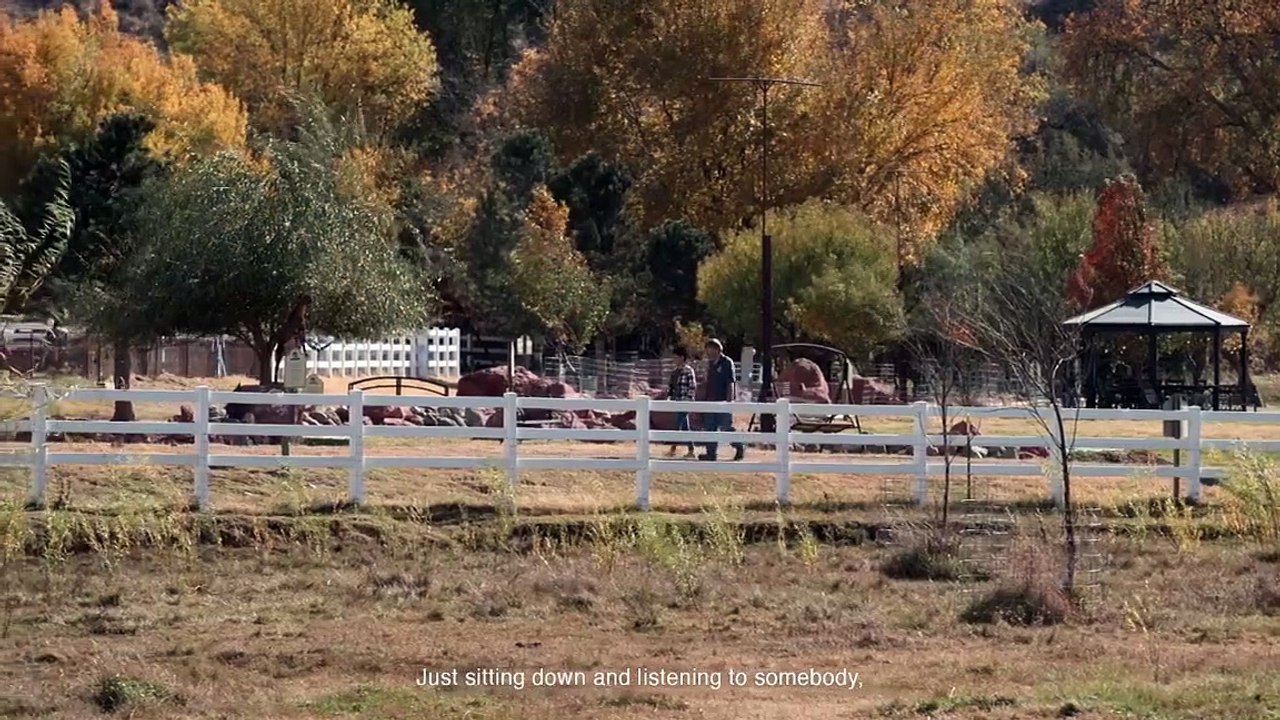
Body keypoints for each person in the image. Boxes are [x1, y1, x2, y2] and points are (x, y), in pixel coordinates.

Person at [699, 338, 745, 461]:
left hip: (723, 400)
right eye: (707, 351)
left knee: (726, 427)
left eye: (711, 350)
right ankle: (711, 453)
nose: (708, 353)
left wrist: (729, 402)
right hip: (711, 401)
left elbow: (731, 382)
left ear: (718, 350)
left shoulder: (727, 363)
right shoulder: (710, 364)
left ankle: (740, 447)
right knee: (710, 427)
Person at [665, 346, 697, 458]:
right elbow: (671, 387)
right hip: (676, 401)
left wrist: (687, 401)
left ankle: (673, 449)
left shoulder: (688, 371)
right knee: (684, 426)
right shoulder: (674, 373)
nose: (674, 359)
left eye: (676, 357)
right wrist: (669, 397)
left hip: (684, 401)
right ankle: (691, 450)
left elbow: (692, 388)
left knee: (678, 425)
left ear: (682, 358)